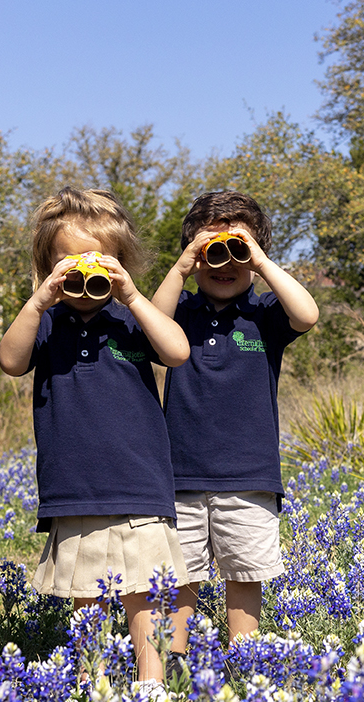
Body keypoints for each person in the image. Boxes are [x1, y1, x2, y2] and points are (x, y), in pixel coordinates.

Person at [0, 187, 193, 684]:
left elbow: (176, 351)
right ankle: (93, 681)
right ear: (49, 269)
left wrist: (131, 294)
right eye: (70, 263)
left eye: (102, 261)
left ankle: (152, 686)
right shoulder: (46, 321)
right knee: (87, 598)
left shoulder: (132, 317)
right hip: (73, 486)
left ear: (122, 265)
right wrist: (40, 300)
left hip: (139, 481)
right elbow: (10, 360)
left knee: (147, 593)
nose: (87, 273)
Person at [152, 191, 320, 645]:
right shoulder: (181, 312)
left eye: (237, 251)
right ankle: (175, 663)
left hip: (249, 473)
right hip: (180, 474)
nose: (224, 264)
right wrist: (182, 265)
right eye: (213, 251)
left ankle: (244, 658)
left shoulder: (263, 314)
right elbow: (149, 323)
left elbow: (307, 313)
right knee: (178, 576)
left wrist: (261, 262)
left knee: (245, 573)